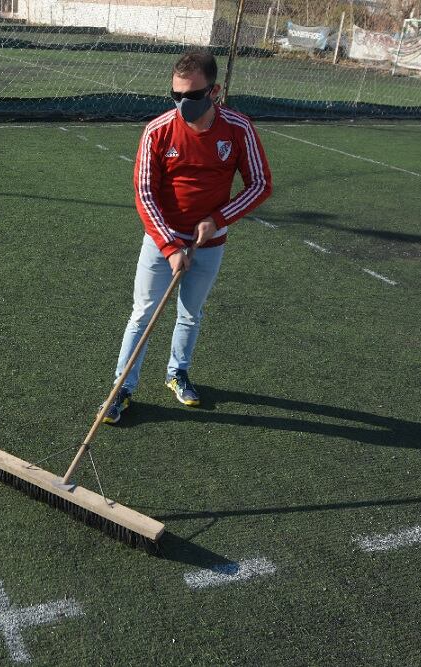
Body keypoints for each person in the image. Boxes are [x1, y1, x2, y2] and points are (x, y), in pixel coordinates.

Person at [102, 49, 273, 424]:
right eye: (176, 96)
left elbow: (260, 184)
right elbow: (145, 193)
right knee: (143, 314)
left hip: (209, 243)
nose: (184, 104)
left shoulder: (238, 129)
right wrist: (170, 245)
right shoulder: (158, 130)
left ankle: (177, 372)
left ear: (215, 91)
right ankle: (122, 389)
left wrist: (217, 218)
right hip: (161, 240)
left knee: (190, 314)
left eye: (193, 97)